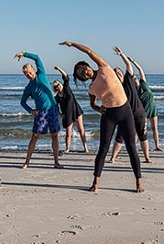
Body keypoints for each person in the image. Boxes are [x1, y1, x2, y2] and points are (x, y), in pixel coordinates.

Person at [60, 40, 144, 193]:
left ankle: (139, 183)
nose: (84, 72)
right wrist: (99, 109)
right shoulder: (91, 88)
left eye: (83, 68)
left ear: (88, 65)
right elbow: (93, 104)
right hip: (109, 116)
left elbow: (89, 51)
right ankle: (96, 182)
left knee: (131, 147)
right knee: (103, 149)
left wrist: (73, 44)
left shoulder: (104, 68)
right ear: (83, 78)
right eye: (81, 74)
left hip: (125, 112)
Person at [15, 51, 62, 169]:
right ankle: (27, 162)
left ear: (33, 70)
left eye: (29, 72)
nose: (28, 75)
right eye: (26, 74)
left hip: (52, 109)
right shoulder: (29, 87)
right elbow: (22, 102)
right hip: (41, 113)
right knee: (35, 136)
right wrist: (31, 111)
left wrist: (24, 53)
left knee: (54, 135)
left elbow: (37, 57)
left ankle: (56, 162)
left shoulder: (41, 74)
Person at [108, 47, 152, 165]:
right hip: (125, 114)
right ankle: (113, 158)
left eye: (119, 72)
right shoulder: (116, 87)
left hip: (139, 112)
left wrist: (121, 54)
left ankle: (147, 158)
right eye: (116, 73)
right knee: (120, 136)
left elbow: (128, 65)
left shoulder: (129, 79)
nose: (119, 73)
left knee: (143, 135)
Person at [128, 56, 164, 151]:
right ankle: (133, 146)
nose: (135, 80)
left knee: (154, 128)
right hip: (143, 110)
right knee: (141, 129)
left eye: (135, 78)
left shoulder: (143, 83)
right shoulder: (134, 91)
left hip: (152, 108)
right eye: (133, 80)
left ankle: (157, 146)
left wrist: (132, 61)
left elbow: (140, 70)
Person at [51, 65, 89, 153]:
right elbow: (55, 107)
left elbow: (66, 76)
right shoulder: (57, 98)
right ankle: (67, 148)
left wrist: (59, 69)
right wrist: (60, 114)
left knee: (81, 130)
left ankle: (86, 148)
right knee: (68, 133)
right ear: (55, 89)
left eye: (59, 85)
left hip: (76, 111)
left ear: (61, 84)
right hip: (67, 114)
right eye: (56, 87)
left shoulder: (67, 88)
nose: (58, 87)